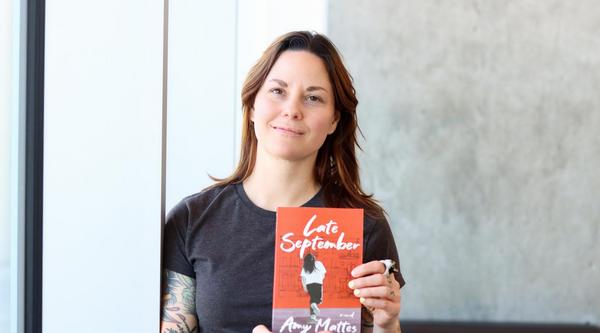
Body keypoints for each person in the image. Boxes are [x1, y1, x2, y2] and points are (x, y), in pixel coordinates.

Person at [160, 31, 406, 333]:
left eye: (313, 97)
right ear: (251, 106)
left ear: (333, 121)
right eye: (278, 91)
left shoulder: (364, 225)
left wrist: (387, 323)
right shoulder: (190, 220)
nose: (292, 110)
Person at [301, 253, 327, 323]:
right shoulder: (319, 263)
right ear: (313, 258)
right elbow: (323, 273)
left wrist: (304, 287)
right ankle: (314, 308)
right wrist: (321, 279)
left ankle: (313, 318)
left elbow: (303, 278)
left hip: (309, 284)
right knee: (318, 300)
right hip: (318, 283)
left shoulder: (305, 266)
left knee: (313, 299)